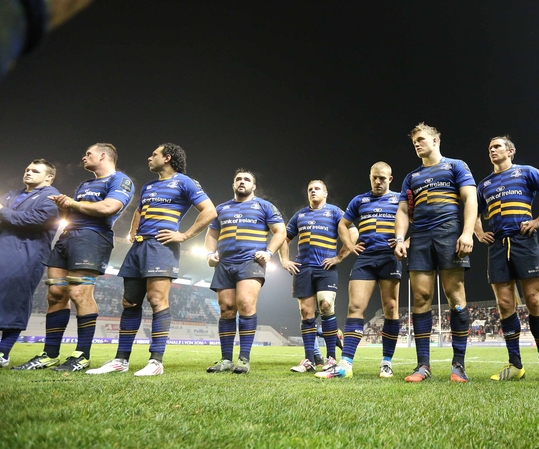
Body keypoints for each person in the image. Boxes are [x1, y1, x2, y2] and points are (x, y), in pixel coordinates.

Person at [87, 143, 216, 376]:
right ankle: (121, 360)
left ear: (167, 158)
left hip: (161, 246)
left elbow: (209, 211)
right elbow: (138, 210)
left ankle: (156, 361)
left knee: (157, 299)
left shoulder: (185, 182)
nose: (149, 157)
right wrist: (133, 233)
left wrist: (184, 235)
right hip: (139, 247)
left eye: (154, 154)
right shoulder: (148, 186)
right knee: (129, 302)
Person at [12, 144, 134, 371]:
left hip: (92, 238)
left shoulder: (119, 180)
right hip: (67, 237)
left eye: (88, 153)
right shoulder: (85, 185)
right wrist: (64, 206)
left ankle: (82, 355)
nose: (84, 157)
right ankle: (49, 354)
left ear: (103, 155)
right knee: (55, 294)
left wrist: (73, 203)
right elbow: (72, 211)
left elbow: (110, 207)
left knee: (79, 292)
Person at [473, 136, 539, 382]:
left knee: (534, 300)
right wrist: (479, 232)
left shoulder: (526, 172)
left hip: (524, 241)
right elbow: (472, 212)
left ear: (510, 151)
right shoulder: (484, 184)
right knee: (504, 303)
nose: (492, 150)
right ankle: (515, 365)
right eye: (490, 147)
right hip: (498, 246)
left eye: (497, 146)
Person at [394, 122, 477, 383]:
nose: (417, 144)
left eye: (421, 139)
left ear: (435, 140)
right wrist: (399, 238)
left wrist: (466, 232)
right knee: (421, 297)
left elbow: (470, 199)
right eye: (414, 141)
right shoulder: (411, 177)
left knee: (455, 295)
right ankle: (423, 366)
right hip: (419, 238)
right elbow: (404, 211)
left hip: (449, 233)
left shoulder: (456, 166)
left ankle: (458, 365)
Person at [316, 162, 403, 379]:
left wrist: (406, 242)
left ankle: (386, 362)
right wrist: (350, 246)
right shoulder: (359, 200)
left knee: (391, 308)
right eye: (374, 177)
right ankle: (345, 364)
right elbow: (343, 225)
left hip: (389, 258)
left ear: (390, 179)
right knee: (355, 306)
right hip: (365, 259)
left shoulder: (399, 199)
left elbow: (418, 222)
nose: (378, 181)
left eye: (382, 178)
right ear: (370, 177)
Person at [202, 169, 286, 374]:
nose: (242, 182)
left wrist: (269, 252)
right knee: (226, 309)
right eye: (238, 179)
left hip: (250, 261)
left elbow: (280, 231)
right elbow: (211, 234)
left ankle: (244, 359)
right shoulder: (221, 208)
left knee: (246, 304)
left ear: (254, 186)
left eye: (246, 179)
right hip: (225, 263)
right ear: (233, 184)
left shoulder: (264, 206)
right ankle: (225, 360)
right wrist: (209, 254)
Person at [279, 180, 351, 373]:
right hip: (303, 269)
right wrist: (285, 260)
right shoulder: (300, 215)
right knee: (306, 312)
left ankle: (330, 359)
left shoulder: (335, 212)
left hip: (325, 268)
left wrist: (339, 257)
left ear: (325, 193)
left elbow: (353, 232)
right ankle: (309, 360)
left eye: (317, 188)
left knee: (326, 305)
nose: (313, 191)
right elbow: (283, 238)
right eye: (310, 189)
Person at [0, 159, 60, 367]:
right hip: (3, 249)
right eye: (27, 169)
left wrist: (3, 212)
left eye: (35, 171)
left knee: (15, 300)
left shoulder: (52, 197)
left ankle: (3, 352)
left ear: (49, 177)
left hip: (26, 255)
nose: (28, 173)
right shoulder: (11, 194)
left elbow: (33, 220)